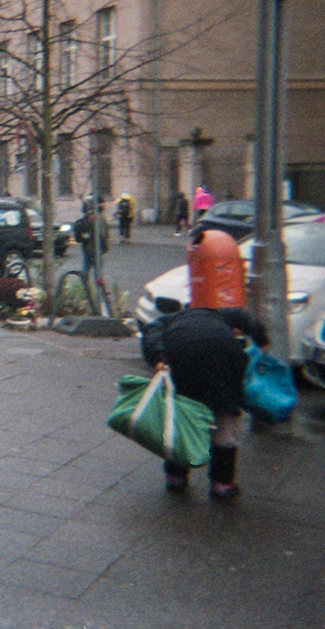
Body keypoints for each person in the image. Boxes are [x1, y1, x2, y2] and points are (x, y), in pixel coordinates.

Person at [140, 307, 270, 499]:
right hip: (226, 355)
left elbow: (151, 334)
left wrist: (159, 359)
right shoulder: (223, 315)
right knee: (225, 416)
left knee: (183, 420)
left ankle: (176, 477)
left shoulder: (170, 319)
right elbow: (249, 320)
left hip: (183, 357)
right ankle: (222, 484)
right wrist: (263, 342)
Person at [71, 200, 109, 279]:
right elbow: (104, 234)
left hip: (87, 248)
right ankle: (98, 287)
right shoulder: (99, 219)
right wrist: (105, 246)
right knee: (98, 270)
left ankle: (84, 286)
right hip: (97, 248)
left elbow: (79, 238)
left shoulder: (83, 221)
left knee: (86, 268)